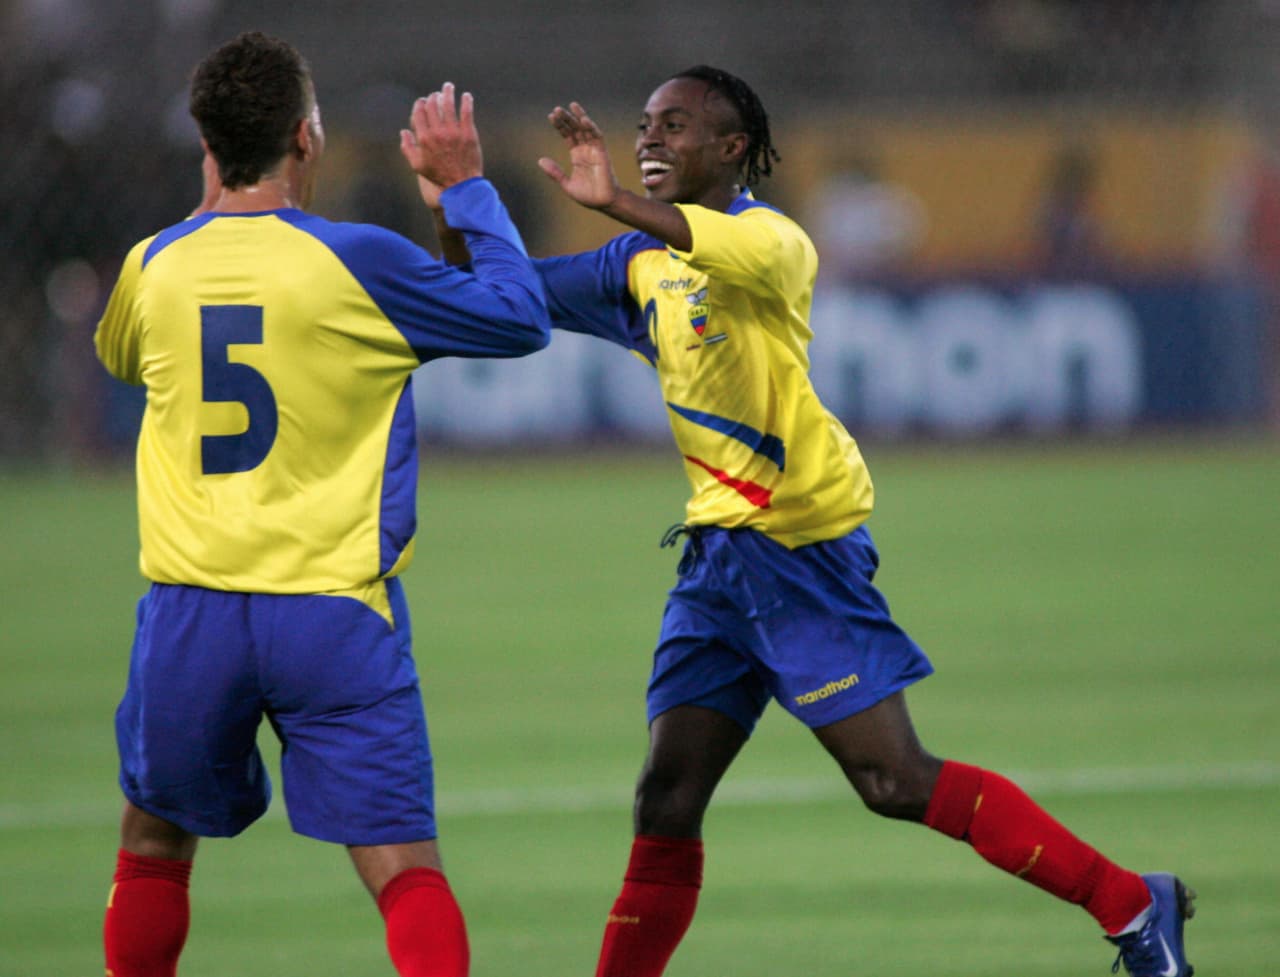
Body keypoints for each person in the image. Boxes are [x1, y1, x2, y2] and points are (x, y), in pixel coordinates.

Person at [526, 66, 1193, 977]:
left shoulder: (774, 241)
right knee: (667, 798)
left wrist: (609, 203)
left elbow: (719, 247)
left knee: (893, 778)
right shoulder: (636, 263)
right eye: (644, 123)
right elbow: (501, 291)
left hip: (797, 549)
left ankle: (1132, 903)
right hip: (717, 561)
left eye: (673, 125)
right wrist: (457, 201)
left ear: (731, 148)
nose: (648, 139)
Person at [94, 31, 548, 977]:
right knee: (404, 871)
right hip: (334, 615)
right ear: (307, 137)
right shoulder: (359, 262)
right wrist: (465, 189)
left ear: (207, 144)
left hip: (192, 613)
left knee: (152, 845)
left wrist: (207, 215)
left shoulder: (153, 265)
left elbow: (124, 357)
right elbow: (518, 319)